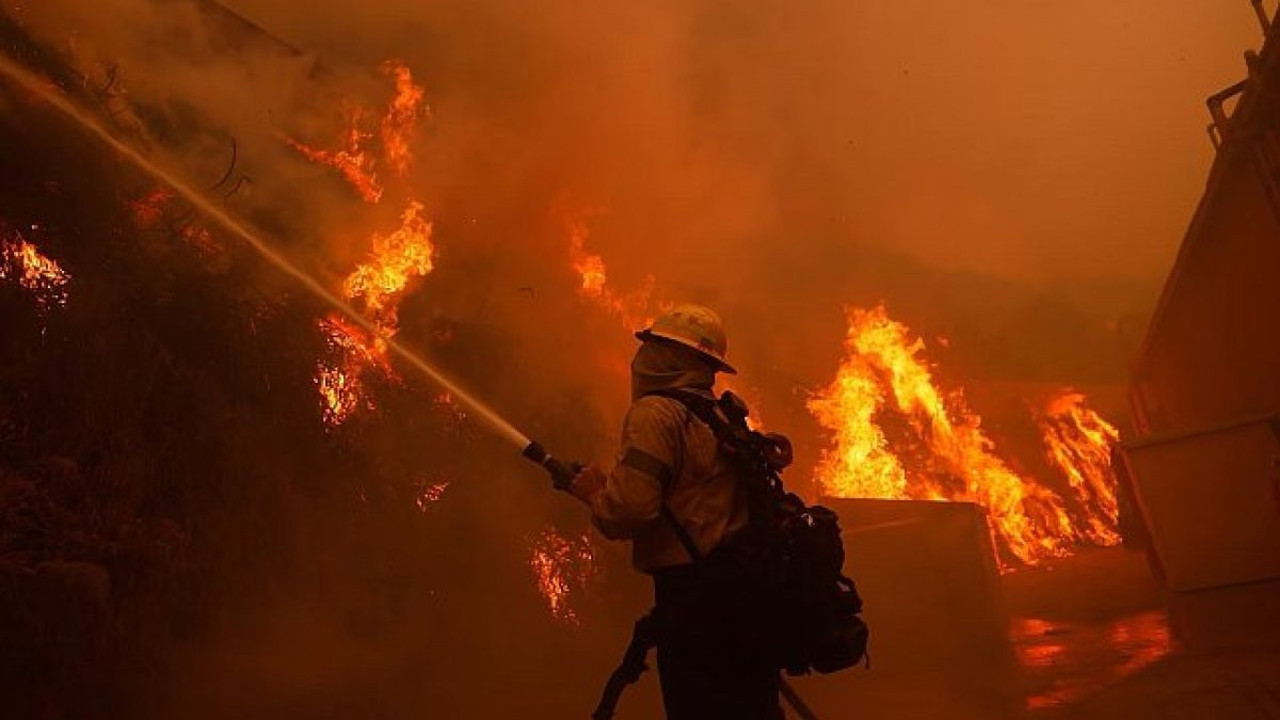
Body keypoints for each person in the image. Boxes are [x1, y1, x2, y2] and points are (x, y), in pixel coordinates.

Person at [569, 304, 785, 720]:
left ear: (678, 357)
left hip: (696, 606)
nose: (643, 358)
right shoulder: (722, 415)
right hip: (746, 603)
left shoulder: (656, 414)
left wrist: (596, 493)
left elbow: (629, 510)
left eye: (654, 347)